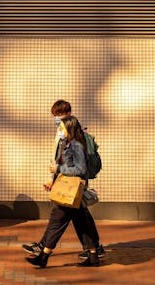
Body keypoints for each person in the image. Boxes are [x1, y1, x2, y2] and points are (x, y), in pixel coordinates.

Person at [22, 100, 105, 260]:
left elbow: (79, 168)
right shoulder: (67, 140)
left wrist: (58, 171)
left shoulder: (76, 143)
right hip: (67, 184)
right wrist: (53, 179)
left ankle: (44, 254)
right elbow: (60, 159)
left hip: (72, 185)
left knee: (58, 220)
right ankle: (94, 251)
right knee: (80, 218)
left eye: (59, 118)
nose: (57, 124)